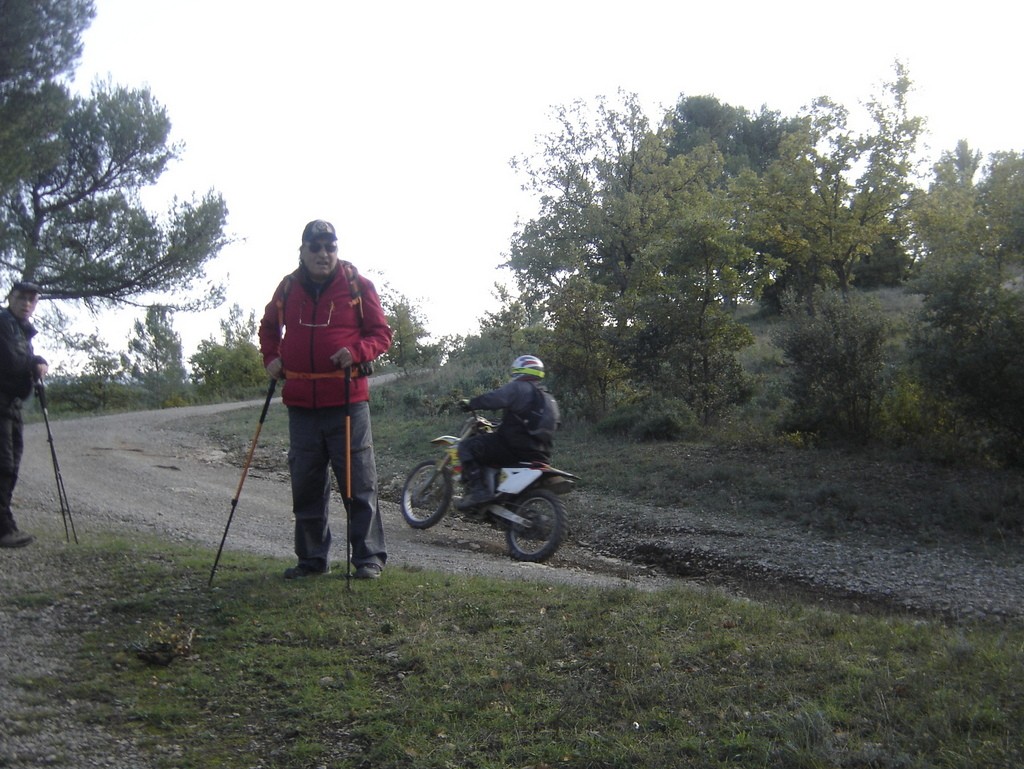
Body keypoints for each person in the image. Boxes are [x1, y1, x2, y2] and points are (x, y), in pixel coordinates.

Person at [258, 220, 393, 580]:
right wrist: (270, 357)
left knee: (358, 482)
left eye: (329, 247)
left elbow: (381, 334)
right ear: (302, 251)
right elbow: (268, 328)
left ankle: (368, 559)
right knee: (306, 484)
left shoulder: (357, 286)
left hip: (347, 401)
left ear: (337, 249)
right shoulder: (288, 288)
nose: (323, 254)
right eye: (315, 247)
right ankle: (312, 561)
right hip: (301, 404)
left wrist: (358, 351)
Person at [456, 354, 560, 510]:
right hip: (540, 454)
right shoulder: (549, 399)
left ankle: (479, 492)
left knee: (466, 447)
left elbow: (494, 398)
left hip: (512, 447)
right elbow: (530, 422)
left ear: (519, 370)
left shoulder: (518, 387)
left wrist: (471, 403)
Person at [0, 281, 49, 548]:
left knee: (12, 464)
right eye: (22, 298)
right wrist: (34, 361)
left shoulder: (18, 328)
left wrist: (35, 359)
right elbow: (9, 360)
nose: (27, 304)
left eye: (32, 300)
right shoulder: (3, 323)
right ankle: (3, 530)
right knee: (4, 466)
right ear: (10, 298)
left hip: (11, 406)